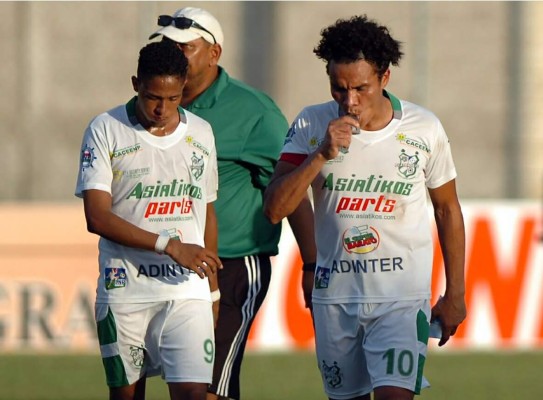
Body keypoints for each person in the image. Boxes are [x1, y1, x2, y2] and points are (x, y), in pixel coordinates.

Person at [263, 15, 467, 400]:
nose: (349, 100)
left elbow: (447, 210)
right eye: (339, 89)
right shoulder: (311, 123)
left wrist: (455, 292)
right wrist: (321, 155)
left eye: (361, 88)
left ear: (385, 77)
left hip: (401, 298)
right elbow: (275, 208)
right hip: (335, 297)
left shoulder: (423, 128)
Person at [148, 7, 317, 400]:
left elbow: (290, 191)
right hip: (166, 262)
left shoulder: (254, 112)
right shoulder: (156, 104)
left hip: (232, 265)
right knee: (180, 387)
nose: (174, 54)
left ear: (214, 53)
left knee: (210, 388)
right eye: (168, 46)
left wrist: (312, 265)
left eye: (185, 47)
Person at [75, 40, 222, 400]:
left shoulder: (202, 132)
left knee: (194, 394)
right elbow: (97, 216)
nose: (162, 109)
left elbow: (205, 210)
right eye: (153, 97)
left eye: (173, 98)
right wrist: (169, 246)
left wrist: (212, 289)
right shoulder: (105, 128)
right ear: (135, 84)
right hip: (126, 290)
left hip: (186, 291)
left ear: (184, 87)